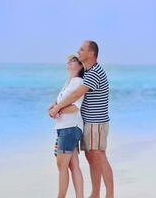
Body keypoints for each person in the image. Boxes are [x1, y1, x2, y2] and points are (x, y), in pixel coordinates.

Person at [49, 41, 114, 198]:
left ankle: (109, 195)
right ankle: (95, 193)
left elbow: (76, 95)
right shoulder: (88, 71)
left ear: (91, 54)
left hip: (96, 121)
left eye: (82, 49)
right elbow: (71, 93)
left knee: (98, 155)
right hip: (88, 121)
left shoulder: (93, 72)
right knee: (91, 157)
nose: (78, 51)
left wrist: (58, 108)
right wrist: (56, 104)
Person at [48, 55, 85, 198]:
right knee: (73, 165)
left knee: (61, 166)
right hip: (66, 128)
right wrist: (53, 107)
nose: (69, 62)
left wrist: (57, 110)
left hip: (70, 128)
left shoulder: (78, 82)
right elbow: (60, 103)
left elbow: (75, 107)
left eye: (73, 60)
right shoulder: (69, 83)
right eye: (69, 60)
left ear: (81, 66)